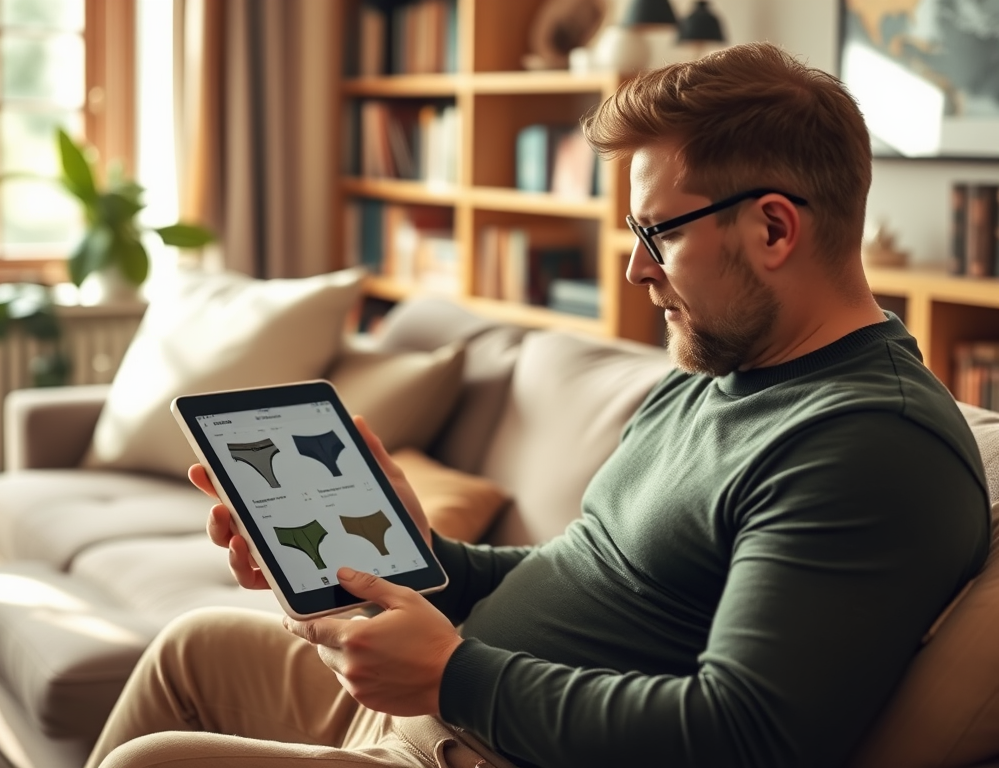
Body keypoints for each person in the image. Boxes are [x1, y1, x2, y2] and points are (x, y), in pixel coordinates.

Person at [84, 41, 990, 768]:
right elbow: (588, 571)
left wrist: (454, 677)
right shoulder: (718, 371)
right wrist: (416, 560)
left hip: (475, 743)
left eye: (656, 234)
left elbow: (746, 733)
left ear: (774, 227)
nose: (636, 268)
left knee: (154, 761)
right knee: (190, 643)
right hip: (447, 706)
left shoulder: (867, 446)